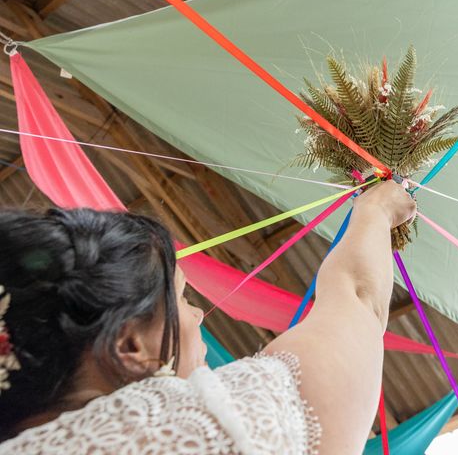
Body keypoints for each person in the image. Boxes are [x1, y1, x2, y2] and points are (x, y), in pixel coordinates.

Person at [0, 179, 416, 454]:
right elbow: (359, 300)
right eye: (180, 297)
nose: (198, 314)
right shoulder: (189, 429)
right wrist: (377, 210)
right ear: (130, 345)